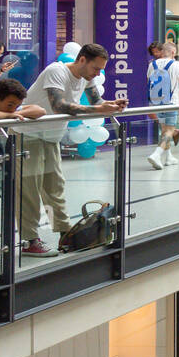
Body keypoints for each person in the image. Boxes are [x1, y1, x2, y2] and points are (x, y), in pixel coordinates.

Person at [18, 44, 126, 258]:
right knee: (29, 189)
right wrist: (98, 108)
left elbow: (97, 101)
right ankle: (30, 240)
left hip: (50, 136)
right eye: (96, 68)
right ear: (82, 60)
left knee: (55, 187)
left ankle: (64, 233)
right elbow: (59, 106)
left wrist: (111, 104)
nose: (97, 74)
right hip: (28, 135)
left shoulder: (87, 77)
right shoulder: (56, 71)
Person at [145, 40, 179, 170]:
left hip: (156, 102)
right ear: (173, 52)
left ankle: (168, 157)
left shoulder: (152, 65)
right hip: (171, 102)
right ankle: (157, 154)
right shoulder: (176, 64)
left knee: (164, 130)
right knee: (169, 130)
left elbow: (148, 82)